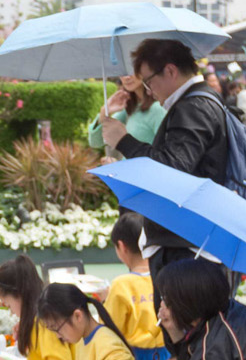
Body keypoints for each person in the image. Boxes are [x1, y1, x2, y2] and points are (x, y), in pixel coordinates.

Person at [99, 37, 238, 259]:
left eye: (149, 81)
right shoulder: (198, 102)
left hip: (186, 244)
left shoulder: (192, 107)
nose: (149, 90)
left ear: (170, 71)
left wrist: (124, 141)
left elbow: (172, 169)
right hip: (189, 237)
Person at [33, 284, 139, 360]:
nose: (58, 336)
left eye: (57, 328)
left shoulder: (107, 345)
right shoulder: (81, 340)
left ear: (78, 316)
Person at [106, 212, 170, 360]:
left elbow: (110, 329)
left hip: (134, 359)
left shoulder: (121, 284)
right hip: (165, 354)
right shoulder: (164, 276)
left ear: (121, 246)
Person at [93, 74, 169, 158]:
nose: (126, 77)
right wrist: (104, 112)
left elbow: (166, 157)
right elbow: (96, 142)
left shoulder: (157, 109)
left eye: (131, 71)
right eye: (122, 73)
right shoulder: (130, 109)